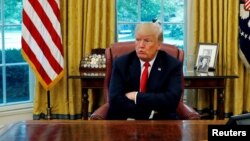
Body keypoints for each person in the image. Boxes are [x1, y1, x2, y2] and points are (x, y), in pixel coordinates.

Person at [107, 22, 182, 120]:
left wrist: (136, 96)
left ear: (159, 45)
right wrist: (148, 113)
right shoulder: (122, 63)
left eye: (147, 41)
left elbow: (171, 100)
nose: (141, 45)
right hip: (125, 121)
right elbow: (115, 99)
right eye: (138, 40)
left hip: (160, 123)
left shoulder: (172, 65)